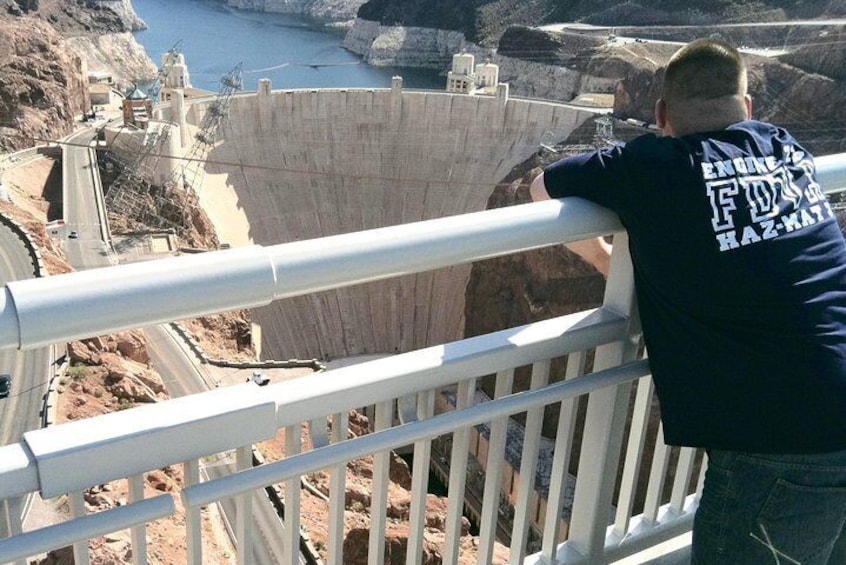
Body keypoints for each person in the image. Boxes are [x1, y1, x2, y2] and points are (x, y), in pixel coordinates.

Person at [531, 38, 846, 564]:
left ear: (660, 115)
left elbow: (542, 188)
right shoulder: (786, 148)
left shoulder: (653, 167)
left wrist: (608, 260)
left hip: (785, 444)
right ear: (747, 108)